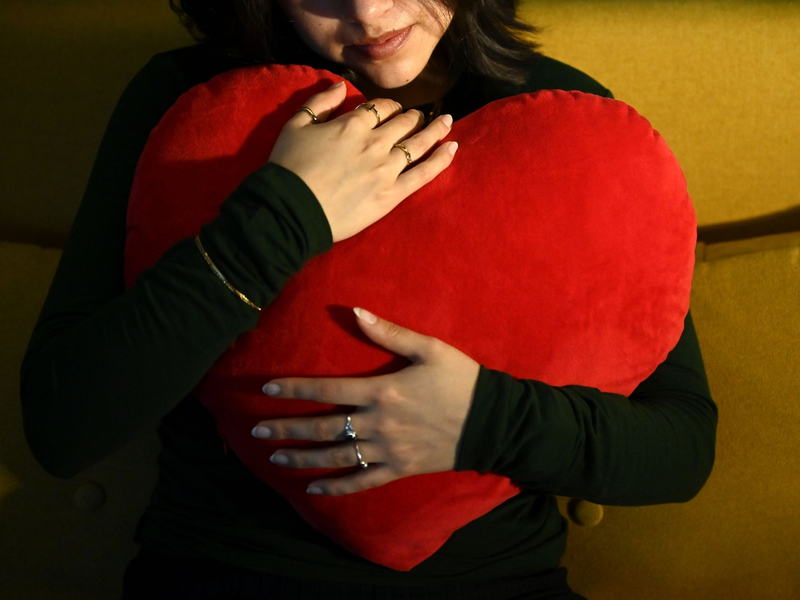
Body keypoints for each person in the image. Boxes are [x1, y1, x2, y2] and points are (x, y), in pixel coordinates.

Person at [18, 0, 718, 598]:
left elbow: (683, 447)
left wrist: (484, 420)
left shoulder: (573, 126)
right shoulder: (194, 103)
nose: (367, 12)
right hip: (225, 576)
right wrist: (286, 217)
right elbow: (62, 424)